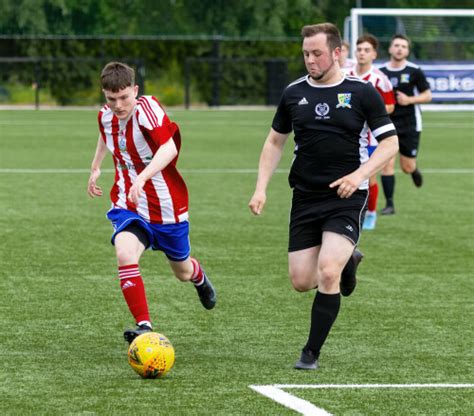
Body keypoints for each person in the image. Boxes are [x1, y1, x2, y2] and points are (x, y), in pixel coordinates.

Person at [248, 23, 398, 370]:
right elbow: (274, 142)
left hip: (347, 196)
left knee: (327, 272)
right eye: (305, 53)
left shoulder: (362, 93)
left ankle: (310, 353)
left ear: (337, 52)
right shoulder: (293, 93)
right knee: (302, 281)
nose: (310, 60)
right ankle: (349, 259)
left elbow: (390, 143)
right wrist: (260, 188)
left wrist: (360, 175)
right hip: (305, 197)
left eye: (316, 53)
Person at [87, 62, 216, 344]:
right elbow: (104, 133)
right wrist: (95, 166)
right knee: (124, 253)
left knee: (181, 270)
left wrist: (143, 177)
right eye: (111, 99)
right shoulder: (105, 115)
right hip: (128, 202)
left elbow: (168, 147)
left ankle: (199, 278)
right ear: (104, 95)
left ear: (135, 90)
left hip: (167, 206)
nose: (118, 105)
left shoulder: (148, 109)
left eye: (124, 98)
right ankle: (144, 325)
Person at [379, 34, 432, 215]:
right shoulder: (381, 72)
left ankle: (414, 170)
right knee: (386, 163)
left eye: (403, 46)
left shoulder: (415, 70)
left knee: (406, 166)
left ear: (407, 51)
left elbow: (428, 95)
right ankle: (389, 204)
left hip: (410, 123)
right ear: (390, 49)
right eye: (396, 45)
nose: (399, 48)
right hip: (387, 123)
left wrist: (409, 99)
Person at [347, 34, 396, 230]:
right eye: (359, 49)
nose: (362, 53)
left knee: (369, 176)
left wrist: (372, 112)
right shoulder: (345, 74)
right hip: (349, 134)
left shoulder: (379, 79)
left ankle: (371, 213)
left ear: (374, 54)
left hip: (371, 137)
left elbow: (391, 106)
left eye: (366, 50)